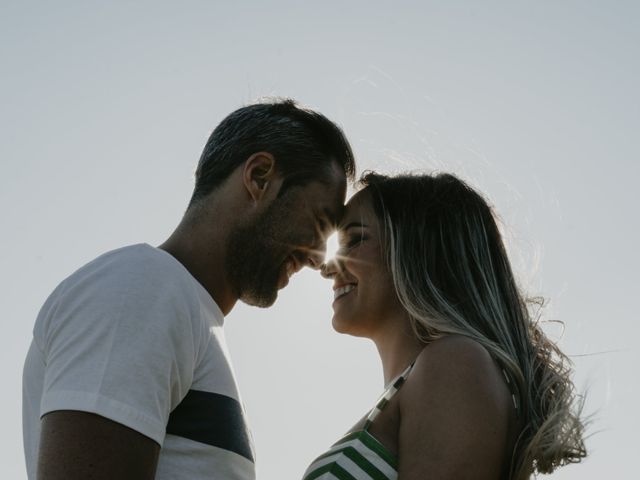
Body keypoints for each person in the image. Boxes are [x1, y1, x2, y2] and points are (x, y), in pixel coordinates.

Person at [22, 98, 356, 480]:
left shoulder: (185, 311)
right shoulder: (140, 288)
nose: (318, 260)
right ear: (260, 176)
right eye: (319, 221)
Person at [305, 172, 586, 480]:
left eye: (355, 239)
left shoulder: (456, 362)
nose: (327, 267)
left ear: (420, 250)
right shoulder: (431, 376)